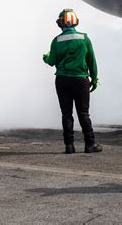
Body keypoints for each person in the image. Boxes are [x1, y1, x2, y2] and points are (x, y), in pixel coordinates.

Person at [43, 9, 102, 154]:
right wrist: (94, 78)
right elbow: (91, 61)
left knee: (66, 114)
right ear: (76, 21)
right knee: (83, 113)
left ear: (60, 23)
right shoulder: (84, 38)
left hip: (62, 80)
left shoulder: (56, 40)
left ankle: (69, 146)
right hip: (80, 80)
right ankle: (90, 144)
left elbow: (51, 61)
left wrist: (45, 56)